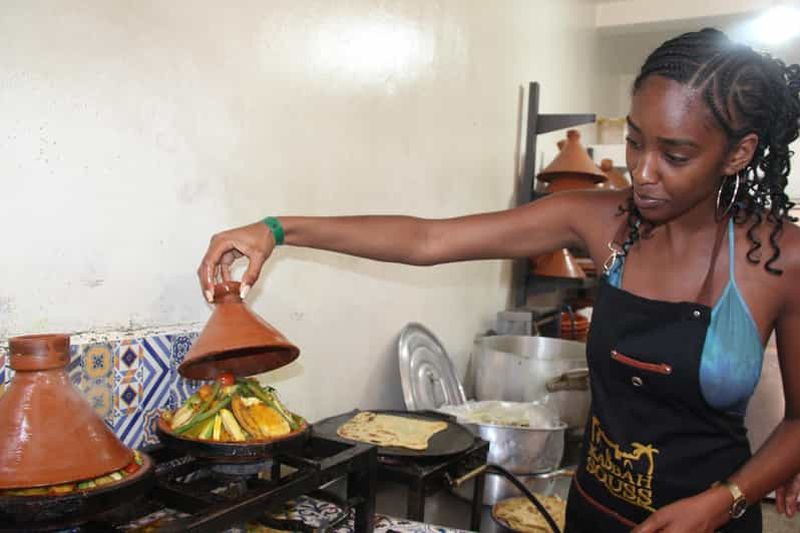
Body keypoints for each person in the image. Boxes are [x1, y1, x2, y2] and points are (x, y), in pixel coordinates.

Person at [198, 29, 800, 533]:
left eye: (675, 155)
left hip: (713, 517)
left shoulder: (783, 260)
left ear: (738, 152)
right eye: (635, 141)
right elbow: (429, 240)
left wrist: (725, 501)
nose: (642, 173)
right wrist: (277, 228)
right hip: (592, 511)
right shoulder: (601, 219)